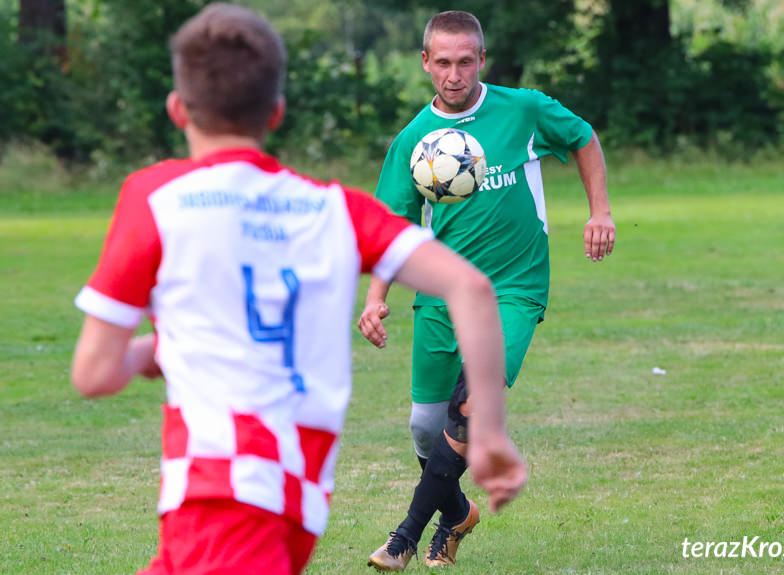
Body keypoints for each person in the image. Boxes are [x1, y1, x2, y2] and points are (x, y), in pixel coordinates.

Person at [69, 4, 526, 575]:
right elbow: (471, 287)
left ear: (177, 109)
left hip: (222, 487)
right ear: (277, 112)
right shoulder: (335, 210)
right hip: (297, 498)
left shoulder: (155, 197)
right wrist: (488, 434)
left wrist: (158, 348)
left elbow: (92, 373)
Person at [359, 10, 615, 572]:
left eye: (466, 61)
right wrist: (376, 296)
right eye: (443, 62)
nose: (455, 74)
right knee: (427, 429)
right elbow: (391, 228)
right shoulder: (412, 141)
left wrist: (600, 211)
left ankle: (403, 536)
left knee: (471, 403)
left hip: (515, 289)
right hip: (442, 295)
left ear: (482, 59)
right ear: (426, 63)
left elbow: (583, 138)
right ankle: (458, 515)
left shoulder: (522, 109)